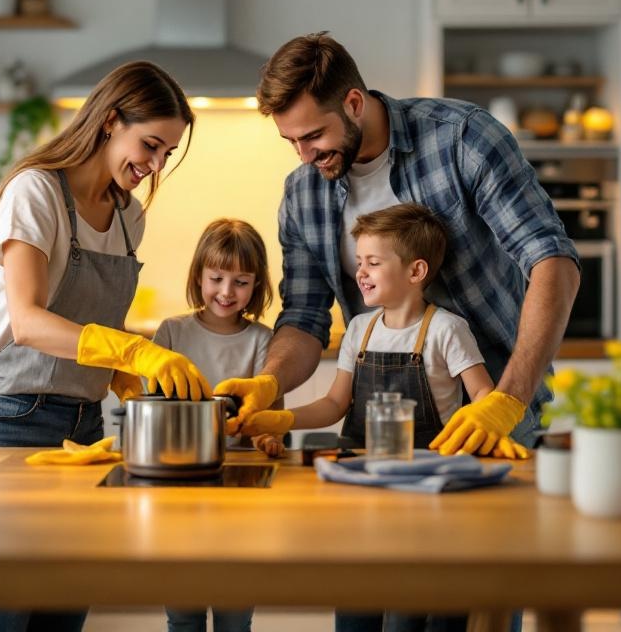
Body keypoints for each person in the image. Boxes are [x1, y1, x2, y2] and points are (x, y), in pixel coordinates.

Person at [216, 31, 580, 460]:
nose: (304, 156)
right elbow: (304, 317)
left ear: (353, 104)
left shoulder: (463, 139)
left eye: (313, 135)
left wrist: (508, 401)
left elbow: (552, 261)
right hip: (379, 436)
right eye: (291, 141)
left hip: (495, 416)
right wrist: (270, 383)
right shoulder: (302, 195)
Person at [0, 60, 213, 632]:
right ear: (110, 121)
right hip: (10, 419)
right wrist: (132, 352)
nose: (152, 166)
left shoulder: (129, 217)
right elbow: (27, 322)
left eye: (166, 154)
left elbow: (88, 328)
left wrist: (120, 373)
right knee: (3, 615)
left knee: (63, 613)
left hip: (84, 431)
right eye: (149, 145)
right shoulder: (36, 192)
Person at [249, 204, 488, 632]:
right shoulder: (359, 328)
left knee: (409, 610)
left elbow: (484, 398)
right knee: (356, 603)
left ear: (416, 272)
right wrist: (275, 419)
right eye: (359, 262)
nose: (361, 272)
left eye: (373, 262)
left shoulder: (446, 330)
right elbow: (334, 405)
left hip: (425, 493)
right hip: (360, 490)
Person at [153, 218, 274, 632]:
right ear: (199, 277)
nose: (226, 292)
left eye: (241, 281)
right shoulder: (171, 332)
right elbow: (150, 404)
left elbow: (265, 421)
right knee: (183, 614)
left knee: (235, 616)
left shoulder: (262, 340)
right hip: (177, 487)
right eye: (217, 278)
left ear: (256, 285)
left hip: (241, 490)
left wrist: (265, 436)